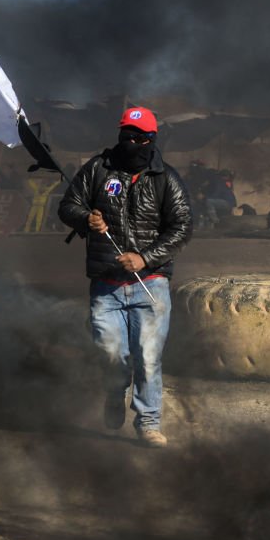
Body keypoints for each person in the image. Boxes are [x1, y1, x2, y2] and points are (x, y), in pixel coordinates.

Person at [58, 106, 193, 447]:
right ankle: (112, 392)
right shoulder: (98, 169)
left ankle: (148, 423)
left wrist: (144, 258)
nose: (133, 143)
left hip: (151, 285)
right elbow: (67, 206)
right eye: (127, 137)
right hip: (107, 285)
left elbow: (182, 227)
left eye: (140, 138)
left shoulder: (166, 179)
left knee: (147, 358)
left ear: (152, 139)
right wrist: (85, 218)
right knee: (110, 354)